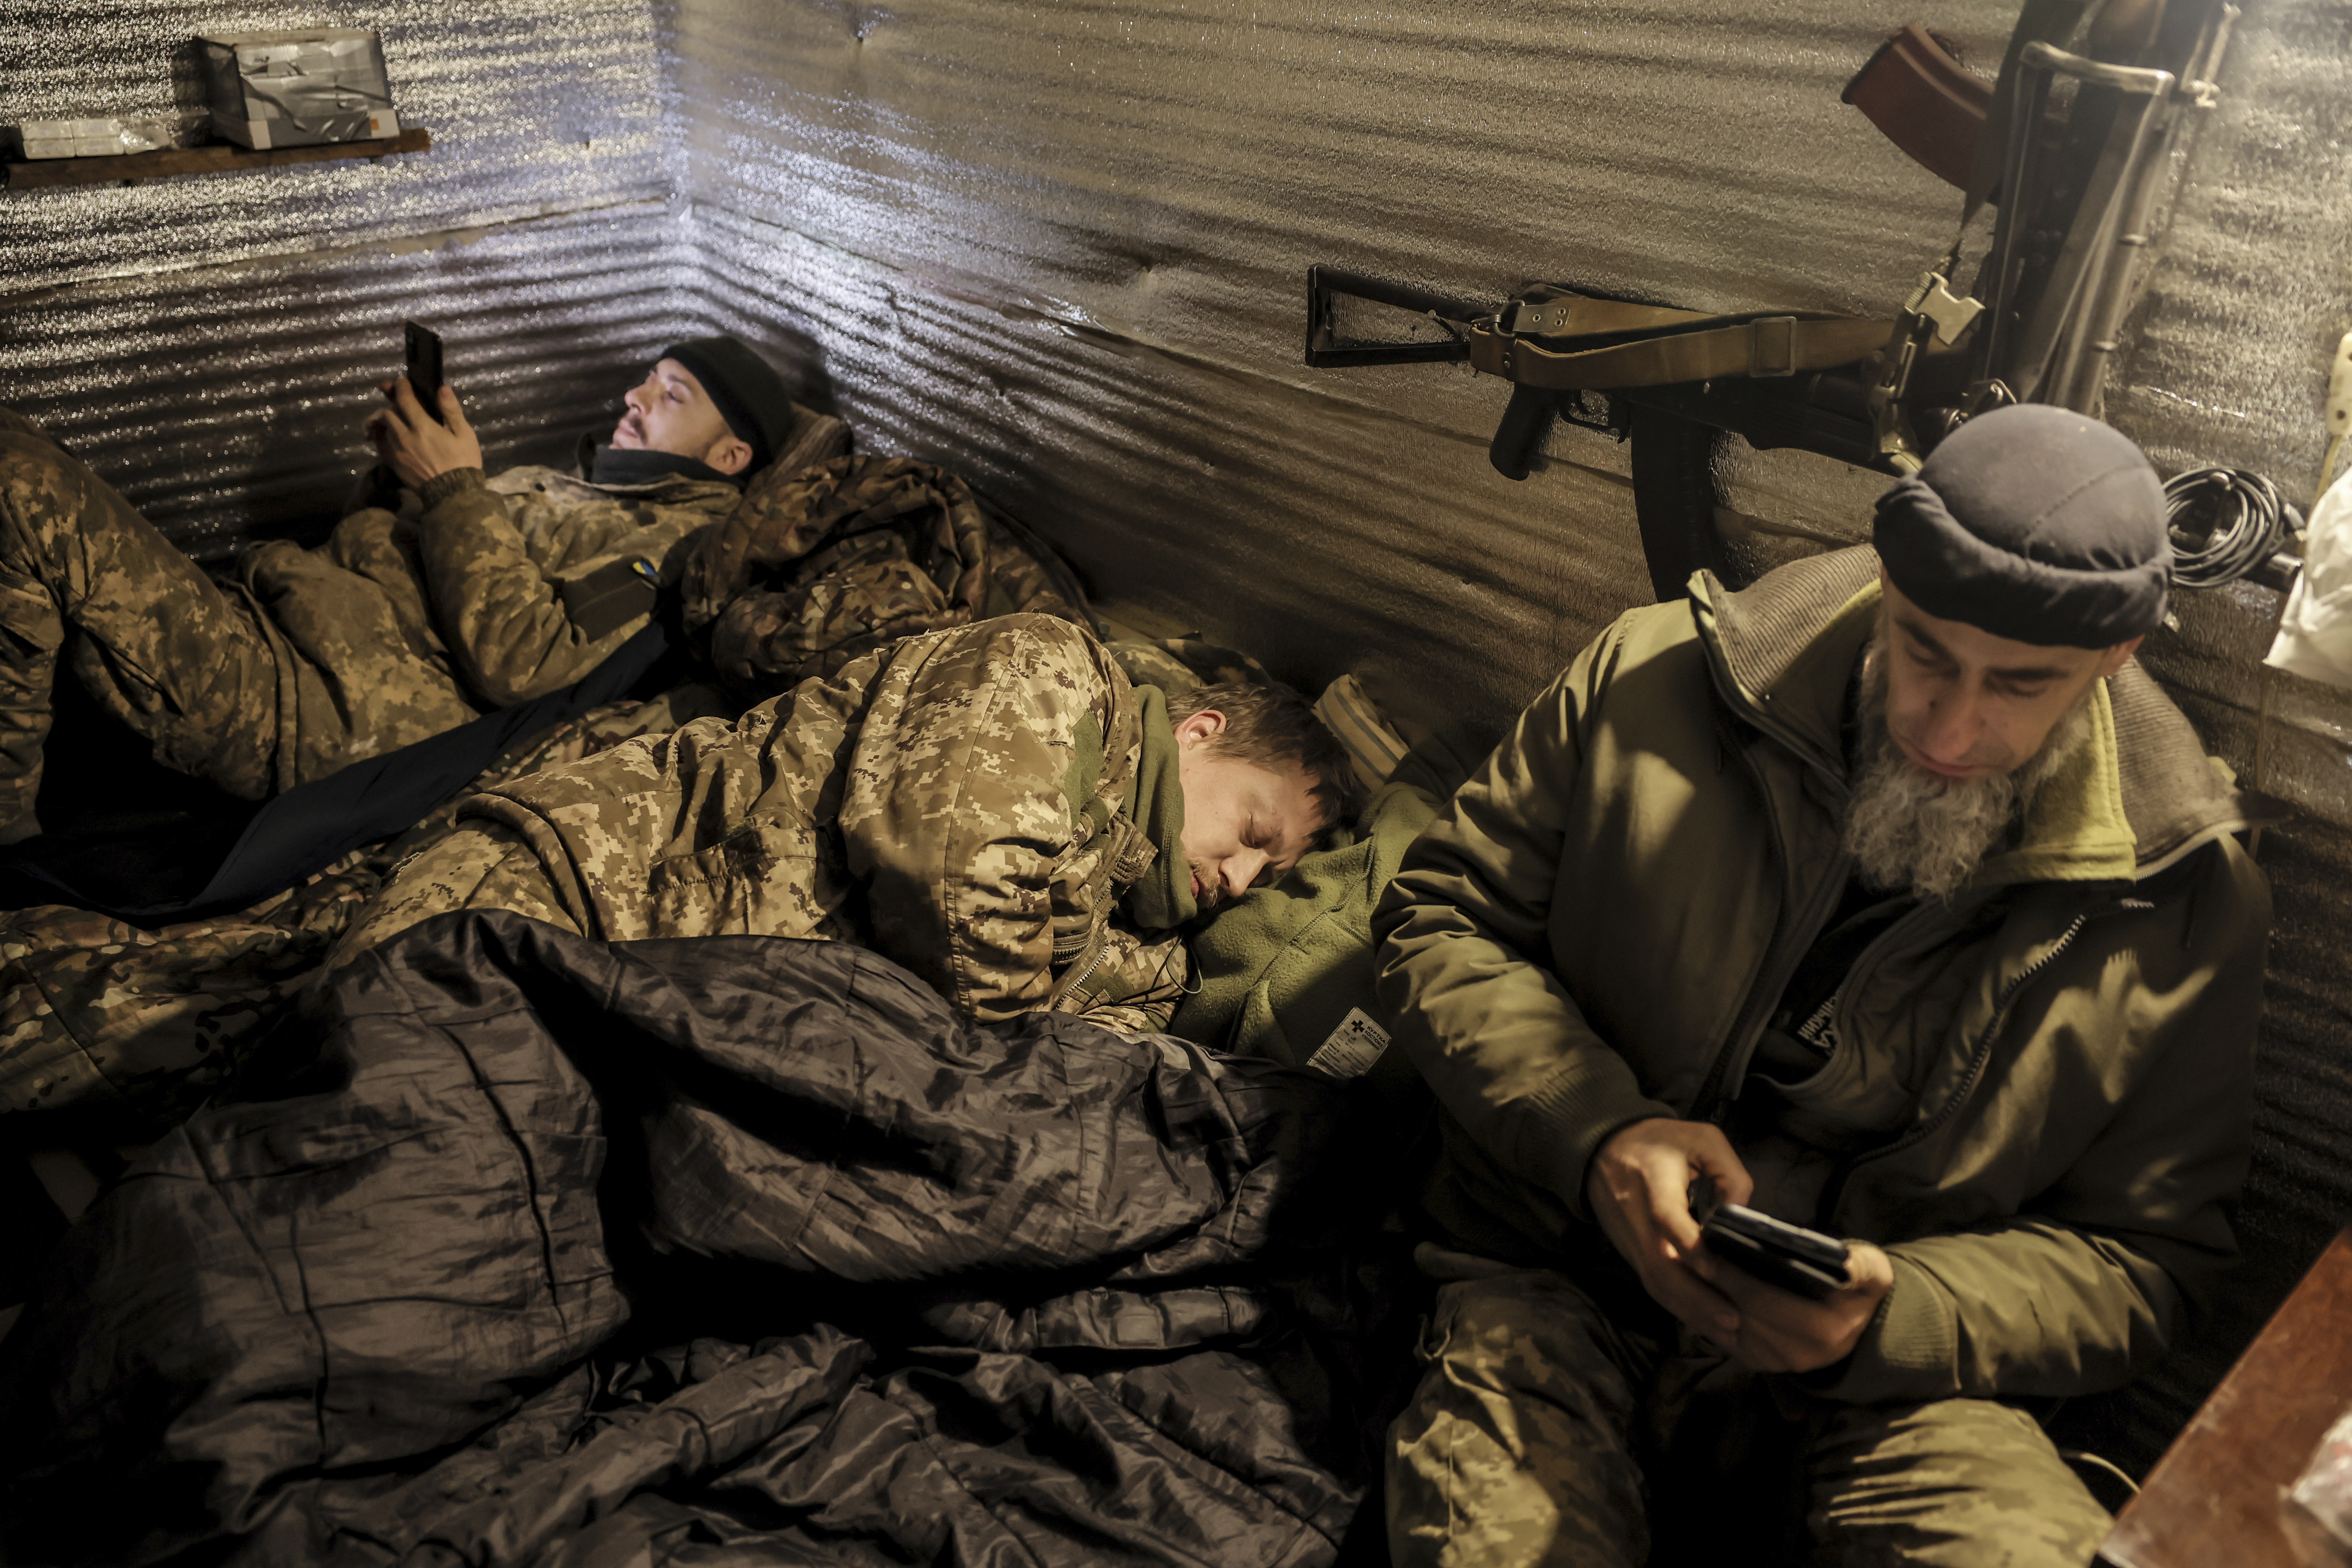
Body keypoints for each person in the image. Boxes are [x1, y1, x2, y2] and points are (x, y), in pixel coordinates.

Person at [1370, 404, 2271, 1566]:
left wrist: (1901, 1314)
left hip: (1904, 1377)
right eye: (1925, 650)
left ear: (2116, 660)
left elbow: (2151, 1264)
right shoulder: (1654, 678)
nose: (1949, 726)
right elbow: (1436, 921)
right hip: (1563, 1273)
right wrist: (1598, 1134)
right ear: (1885, 583)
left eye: (2019, 685)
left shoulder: (2188, 896)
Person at [332, 612, 1363, 1031]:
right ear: (1199, 735)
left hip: (666, 1021)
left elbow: (1091, 1073)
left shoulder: (1155, 957)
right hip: (572, 895)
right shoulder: (1058, 677)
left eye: (1269, 881)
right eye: (1255, 834)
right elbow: (956, 884)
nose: (1241, 878)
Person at [0, 334, 831, 843]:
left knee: (15, 481)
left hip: (306, 699)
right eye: (648, 379)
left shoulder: (675, 543)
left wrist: (451, 486)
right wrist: (400, 483)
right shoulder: (582, 489)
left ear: (730, 459)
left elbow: (529, 661)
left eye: (671, 394)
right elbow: (421, 571)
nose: (636, 396)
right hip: (287, 628)